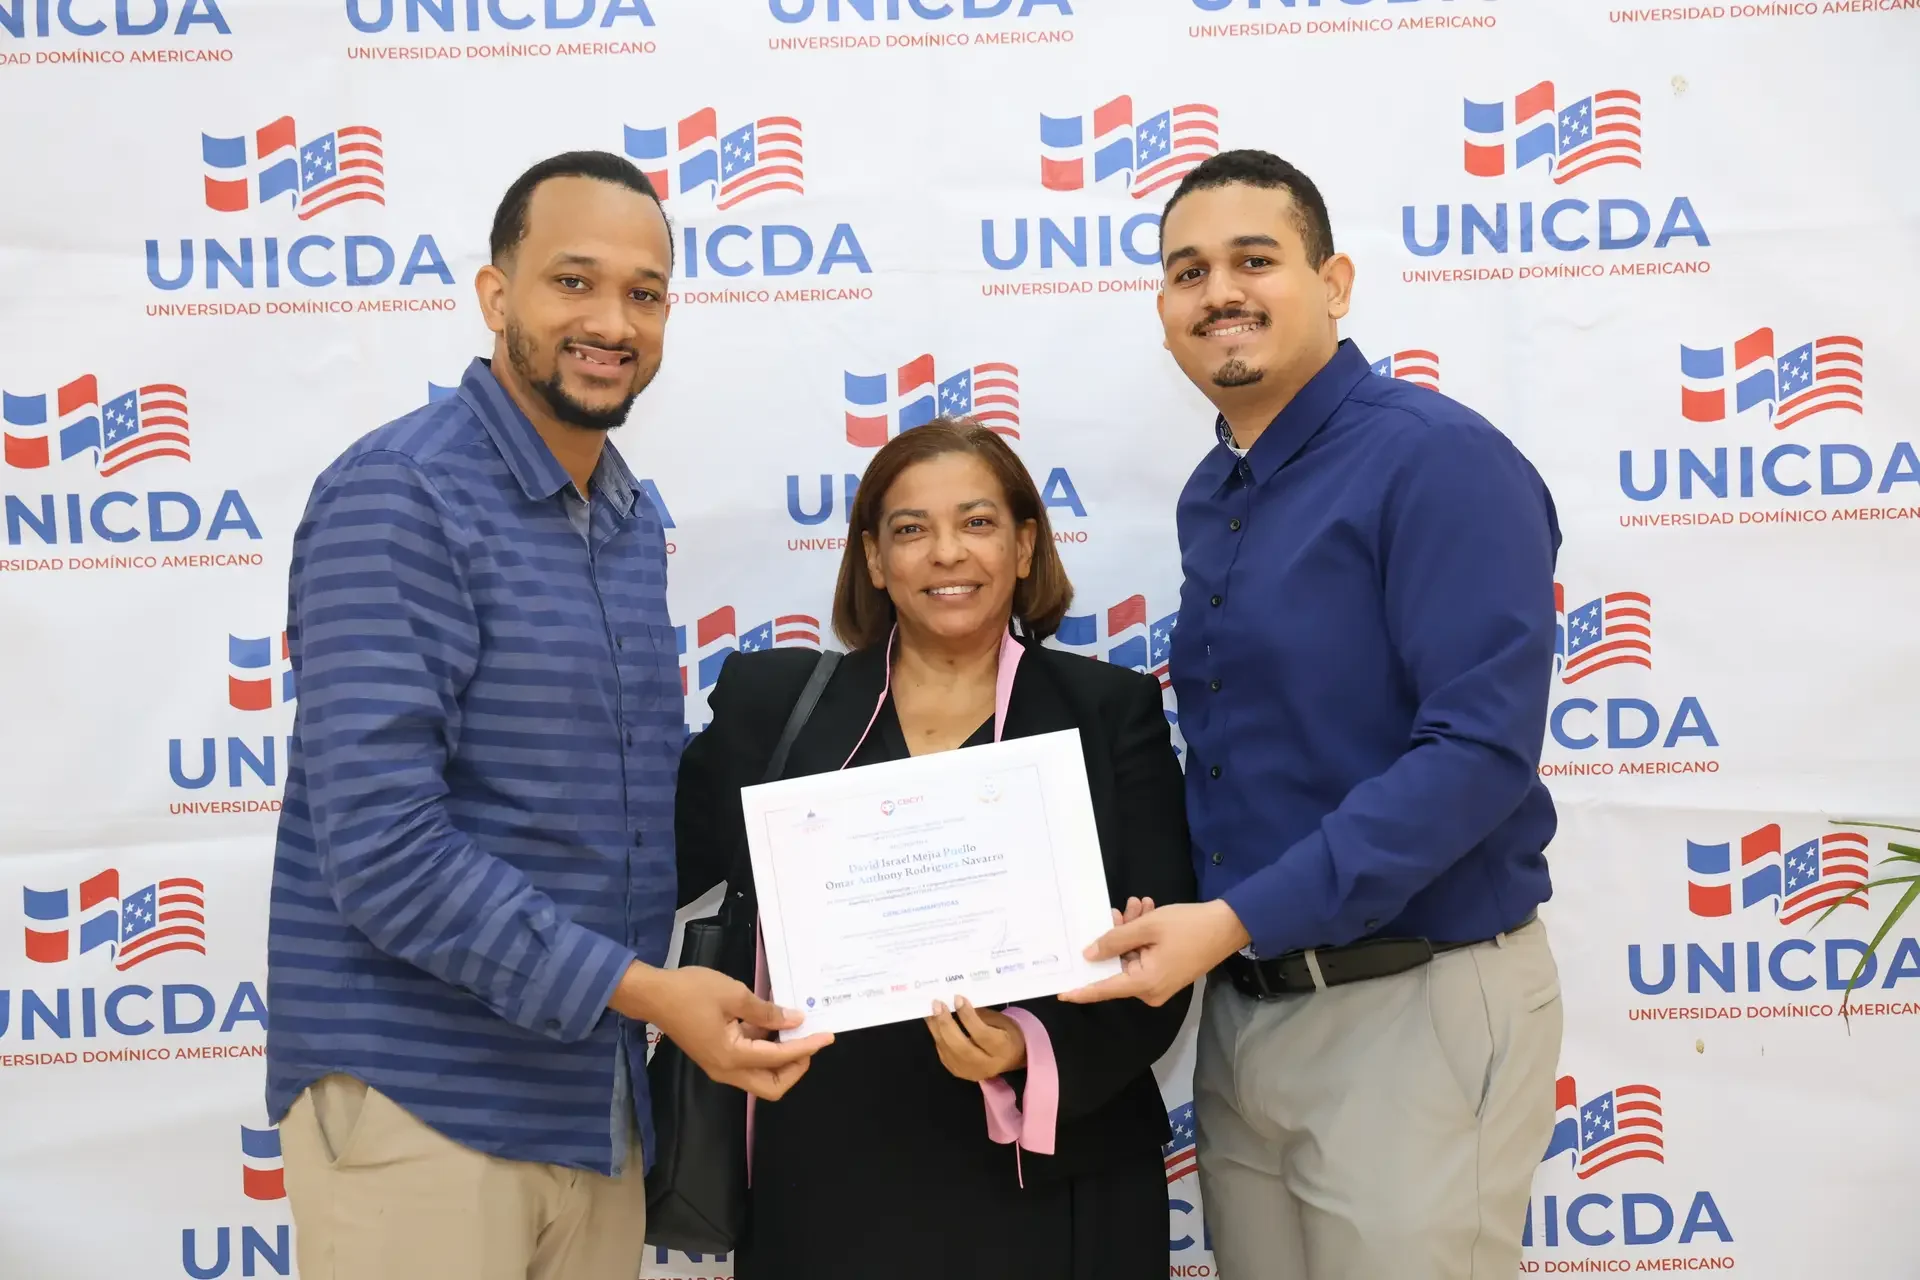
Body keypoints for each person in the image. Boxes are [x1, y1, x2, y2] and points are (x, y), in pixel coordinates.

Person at [262, 151, 830, 1280]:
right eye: (574, 281)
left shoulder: (625, 518)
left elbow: (621, 814)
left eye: (644, 292)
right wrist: (650, 993)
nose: (611, 322)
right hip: (424, 1100)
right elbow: (383, 849)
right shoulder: (403, 492)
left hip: (591, 1103)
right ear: (495, 294)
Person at [1062, 150, 1566, 1279]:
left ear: (1334, 282)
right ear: (1164, 311)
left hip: (1413, 1003)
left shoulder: (1438, 460)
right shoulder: (1216, 494)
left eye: (1256, 259)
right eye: (1188, 271)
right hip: (1249, 1005)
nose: (1219, 292)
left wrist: (1234, 917)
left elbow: (1477, 755)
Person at [674, 419, 1197, 1280]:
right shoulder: (775, 707)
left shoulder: (1110, 712)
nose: (946, 552)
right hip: (826, 1171)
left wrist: (1026, 1046)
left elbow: (1168, 955)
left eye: (977, 523)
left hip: (1053, 1181)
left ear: (1024, 546)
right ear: (874, 560)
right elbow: (641, 870)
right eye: (911, 529)